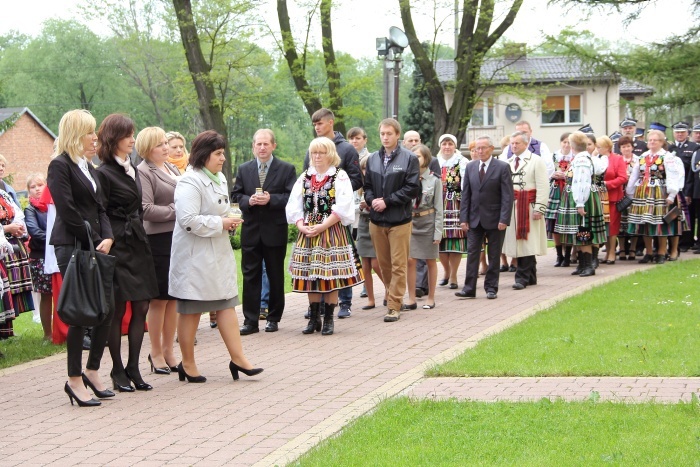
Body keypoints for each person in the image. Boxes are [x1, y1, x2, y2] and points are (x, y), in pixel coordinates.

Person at [169, 130, 262, 382]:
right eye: (218, 153)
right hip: (194, 258)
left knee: (226, 303)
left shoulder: (219, 177)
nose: (223, 158)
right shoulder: (189, 181)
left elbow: (218, 211)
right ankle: (187, 364)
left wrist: (228, 223)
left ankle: (239, 358)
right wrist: (220, 222)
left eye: (223, 153)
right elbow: (187, 219)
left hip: (217, 255)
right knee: (190, 310)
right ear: (204, 155)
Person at [48, 109, 114, 407]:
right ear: (75, 135)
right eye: (89, 133)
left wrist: (108, 237)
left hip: (96, 245)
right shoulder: (59, 166)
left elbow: (101, 207)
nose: (95, 138)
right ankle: (74, 379)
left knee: (106, 310)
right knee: (80, 313)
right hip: (73, 245)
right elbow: (67, 210)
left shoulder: (89, 167)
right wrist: (96, 239)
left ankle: (92, 370)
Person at [96, 114, 159, 392]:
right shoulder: (103, 172)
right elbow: (101, 212)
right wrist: (111, 237)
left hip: (137, 240)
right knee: (118, 306)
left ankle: (134, 366)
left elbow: (139, 206)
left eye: (133, 134)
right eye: (128, 135)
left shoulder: (131, 168)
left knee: (142, 304)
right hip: (118, 244)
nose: (133, 139)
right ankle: (117, 368)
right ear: (114, 139)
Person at [287, 137, 363, 335]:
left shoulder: (340, 176)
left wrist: (322, 226)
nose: (317, 156)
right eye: (314, 152)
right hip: (309, 231)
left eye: (321, 152)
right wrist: (301, 226)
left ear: (330, 154)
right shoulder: (305, 176)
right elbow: (294, 206)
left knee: (330, 276)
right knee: (311, 275)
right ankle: (314, 318)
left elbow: (344, 207)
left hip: (330, 230)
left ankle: (329, 318)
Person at [232, 129, 296, 334]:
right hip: (251, 230)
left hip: (274, 230)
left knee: (276, 275)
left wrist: (271, 199)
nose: (262, 148)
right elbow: (236, 194)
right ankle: (250, 321)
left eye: (265, 144)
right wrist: (248, 201)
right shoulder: (244, 169)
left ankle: (273, 318)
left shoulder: (286, 169)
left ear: (273, 146)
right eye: (258, 144)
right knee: (250, 275)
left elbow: (291, 197)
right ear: (253, 146)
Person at [302, 109, 362, 319]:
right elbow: (305, 181)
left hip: (338, 213)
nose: (317, 127)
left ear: (330, 122)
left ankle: (344, 302)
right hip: (316, 213)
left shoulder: (346, 149)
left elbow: (357, 179)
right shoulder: (312, 148)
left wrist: (335, 189)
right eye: (314, 124)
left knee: (339, 258)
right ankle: (315, 306)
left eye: (320, 123)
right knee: (314, 261)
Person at [364, 118, 421, 322]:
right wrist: (372, 200)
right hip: (377, 220)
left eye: (389, 133)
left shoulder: (409, 158)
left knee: (399, 264)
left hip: (400, 220)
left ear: (398, 135)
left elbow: (412, 188)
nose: (385, 137)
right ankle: (393, 295)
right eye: (382, 134)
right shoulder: (372, 159)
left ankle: (394, 304)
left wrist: (387, 201)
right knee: (384, 264)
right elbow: (367, 186)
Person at [136, 127, 181, 375]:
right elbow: (145, 209)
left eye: (166, 143)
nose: (165, 148)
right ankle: (155, 352)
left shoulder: (172, 168)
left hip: (176, 238)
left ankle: (169, 349)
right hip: (157, 240)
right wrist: (178, 209)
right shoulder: (143, 172)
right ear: (146, 148)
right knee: (159, 298)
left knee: (173, 297)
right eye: (159, 145)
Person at [456, 136, 513, 300]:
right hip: (474, 219)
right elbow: (466, 194)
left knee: (494, 254)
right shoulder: (471, 167)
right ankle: (469, 288)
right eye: (476, 149)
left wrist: (504, 219)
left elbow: (507, 196)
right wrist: (463, 218)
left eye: (483, 148)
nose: (479, 151)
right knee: (472, 253)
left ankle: (491, 288)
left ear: (491, 148)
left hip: (495, 219)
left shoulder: (502, 167)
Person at [626, 129, 686, 264]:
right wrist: (630, 192)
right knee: (645, 223)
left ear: (661, 142)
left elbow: (673, 176)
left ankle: (661, 252)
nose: (652, 142)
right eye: (650, 140)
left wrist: (671, 194)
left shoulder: (668, 157)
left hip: (660, 191)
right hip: (643, 192)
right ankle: (649, 252)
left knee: (661, 222)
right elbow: (635, 175)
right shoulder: (642, 157)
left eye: (655, 140)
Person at [554, 131, 607, 276]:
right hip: (581, 197)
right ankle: (583, 265)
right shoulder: (584, 158)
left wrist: (580, 202)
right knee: (581, 231)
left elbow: (582, 181)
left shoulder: (582, 160)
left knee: (584, 230)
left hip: (582, 199)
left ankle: (588, 265)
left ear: (572, 145)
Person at [504, 131, 549, 289]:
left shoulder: (536, 161)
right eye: (512, 143)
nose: (514, 146)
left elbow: (543, 186)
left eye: (517, 143)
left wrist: (540, 208)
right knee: (519, 242)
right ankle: (530, 276)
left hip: (529, 207)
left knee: (527, 242)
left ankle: (521, 277)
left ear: (526, 144)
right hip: (513, 207)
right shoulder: (508, 162)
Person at [405, 145, 443, 309]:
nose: (415, 159)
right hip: (411, 222)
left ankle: (431, 298)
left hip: (428, 222)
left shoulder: (434, 180)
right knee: (410, 260)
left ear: (426, 159)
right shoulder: (408, 179)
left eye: (418, 156)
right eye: (413, 156)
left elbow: (439, 208)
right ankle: (411, 299)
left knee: (430, 260)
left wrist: (438, 232)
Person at [436, 133, 468, 289]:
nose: (447, 147)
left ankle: (454, 275)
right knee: (440, 240)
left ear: (455, 146)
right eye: (444, 144)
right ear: (440, 146)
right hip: (438, 205)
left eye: (450, 144)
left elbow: (467, 185)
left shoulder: (462, 162)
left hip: (456, 204)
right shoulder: (434, 162)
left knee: (455, 241)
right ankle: (446, 272)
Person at [24, 173, 53, 340]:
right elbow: (34, 232)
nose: (36, 189)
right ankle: (47, 334)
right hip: (40, 256)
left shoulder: (52, 205)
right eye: (32, 187)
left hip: (55, 254)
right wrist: (55, 238)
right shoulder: (30, 209)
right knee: (45, 294)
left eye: (39, 185)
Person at [356, 154, 385, 309]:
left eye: (369, 167)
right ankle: (371, 299)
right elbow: (350, 206)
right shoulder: (358, 186)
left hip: (377, 222)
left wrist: (373, 205)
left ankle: (389, 289)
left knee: (376, 263)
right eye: (364, 168)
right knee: (365, 265)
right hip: (362, 223)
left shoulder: (380, 182)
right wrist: (360, 207)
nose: (366, 170)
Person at [597, 136, 628, 264]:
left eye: (599, 147)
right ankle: (607, 250)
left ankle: (611, 253)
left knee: (612, 226)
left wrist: (607, 184)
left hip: (613, 198)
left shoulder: (617, 159)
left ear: (607, 147)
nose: (597, 149)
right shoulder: (596, 159)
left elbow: (623, 177)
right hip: (598, 197)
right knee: (603, 226)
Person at [668, 121, 698, 253]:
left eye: (682, 132)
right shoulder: (670, 148)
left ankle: (687, 241)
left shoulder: (693, 147)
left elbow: (692, 172)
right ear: (674, 133)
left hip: (687, 186)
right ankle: (676, 241)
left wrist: (688, 192)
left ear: (687, 133)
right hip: (673, 187)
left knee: (688, 215)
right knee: (674, 215)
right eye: (677, 132)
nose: (680, 134)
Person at [544, 132, 574, 267]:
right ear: (561, 143)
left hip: (569, 191)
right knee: (555, 224)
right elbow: (547, 171)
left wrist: (567, 176)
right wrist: (553, 175)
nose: (566, 145)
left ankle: (568, 255)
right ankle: (559, 255)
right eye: (564, 142)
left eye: (569, 142)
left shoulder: (575, 157)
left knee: (568, 224)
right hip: (556, 191)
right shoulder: (553, 156)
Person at [617, 136, 640, 260]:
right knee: (621, 223)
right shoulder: (617, 160)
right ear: (620, 148)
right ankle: (621, 249)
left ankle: (633, 249)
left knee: (633, 221)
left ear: (632, 147)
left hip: (634, 195)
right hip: (620, 195)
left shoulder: (638, 160)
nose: (626, 149)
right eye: (623, 146)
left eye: (628, 146)